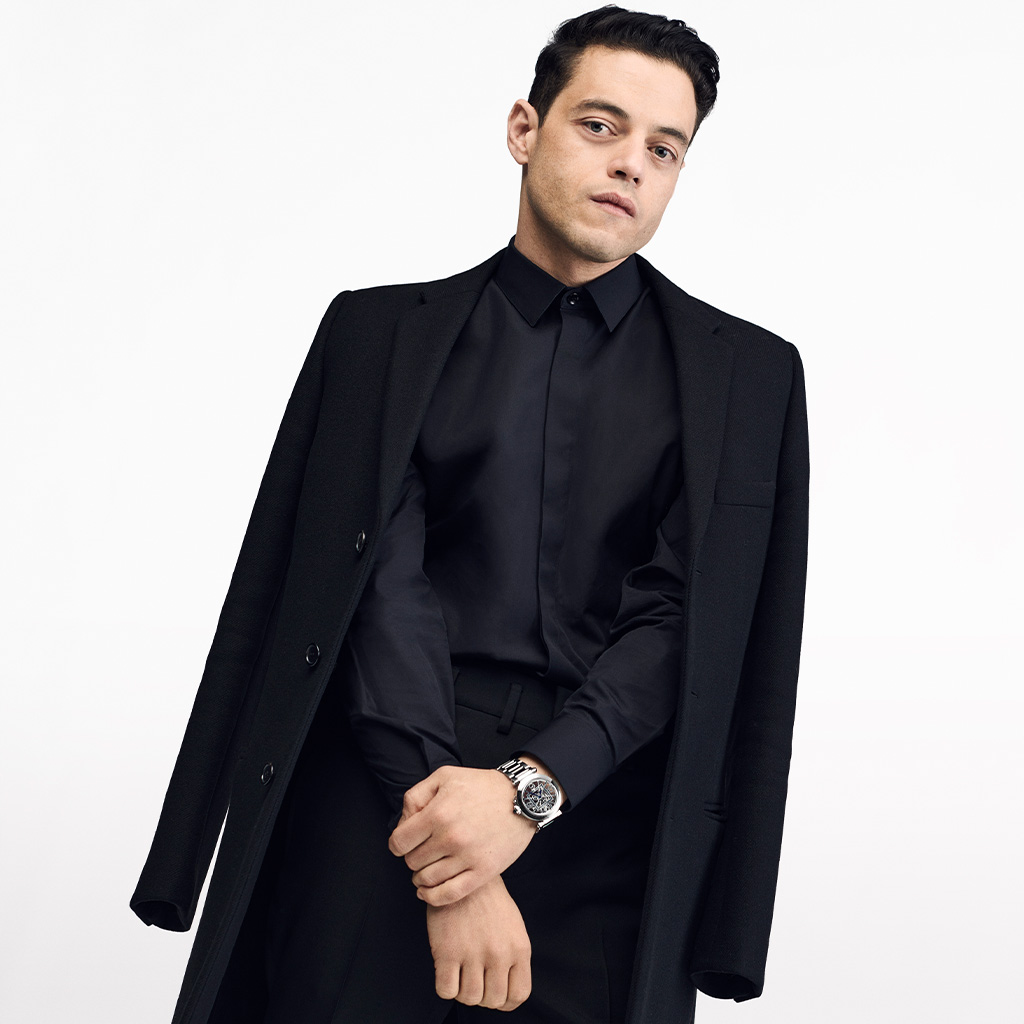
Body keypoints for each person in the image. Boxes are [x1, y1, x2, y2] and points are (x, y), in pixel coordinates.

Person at [130, 7, 809, 1024]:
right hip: (374, 786)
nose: (630, 163)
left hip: (607, 817)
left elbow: (687, 621)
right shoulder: (374, 335)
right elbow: (374, 591)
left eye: (664, 148)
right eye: (600, 125)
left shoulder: (750, 376)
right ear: (524, 129)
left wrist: (532, 789)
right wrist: (453, 850)